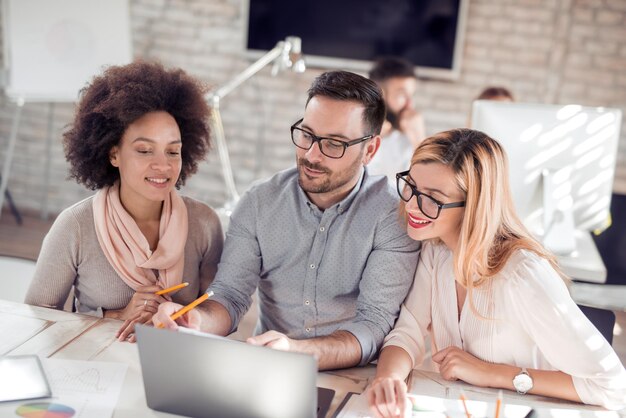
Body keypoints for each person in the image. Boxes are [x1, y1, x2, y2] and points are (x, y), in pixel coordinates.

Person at [153, 70, 420, 370]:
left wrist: (298, 351)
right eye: (307, 135)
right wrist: (195, 320)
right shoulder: (259, 203)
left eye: (333, 143)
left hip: (354, 379)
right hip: (270, 368)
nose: (312, 155)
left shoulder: (392, 215)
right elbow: (229, 295)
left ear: (369, 150)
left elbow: (374, 323)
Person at [367, 129, 626, 416]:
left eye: (434, 199)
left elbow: (614, 386)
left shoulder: (522, 274)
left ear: (473, 206)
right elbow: (408, 331)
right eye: (411, 186)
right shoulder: (436, 251)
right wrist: (388, 379)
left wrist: (491, 373)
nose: (412, 205)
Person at [25, 61, 223, 342]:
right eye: (144, 150)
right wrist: (114, 316)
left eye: (173, 152)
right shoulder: (75, 226)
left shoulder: (204, 224)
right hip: (97, 371)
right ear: (113, 154)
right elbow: (35, 318)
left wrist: (182, 317)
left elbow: (218, 310)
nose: (162, 166)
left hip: (175, 366)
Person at [367, 57, 425, 183]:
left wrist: (419, 140)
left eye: (412, 95)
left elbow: (425, 185)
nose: (410, 104)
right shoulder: (354, 131)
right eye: (402, 95)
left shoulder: (410, 139)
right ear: (379, 93)